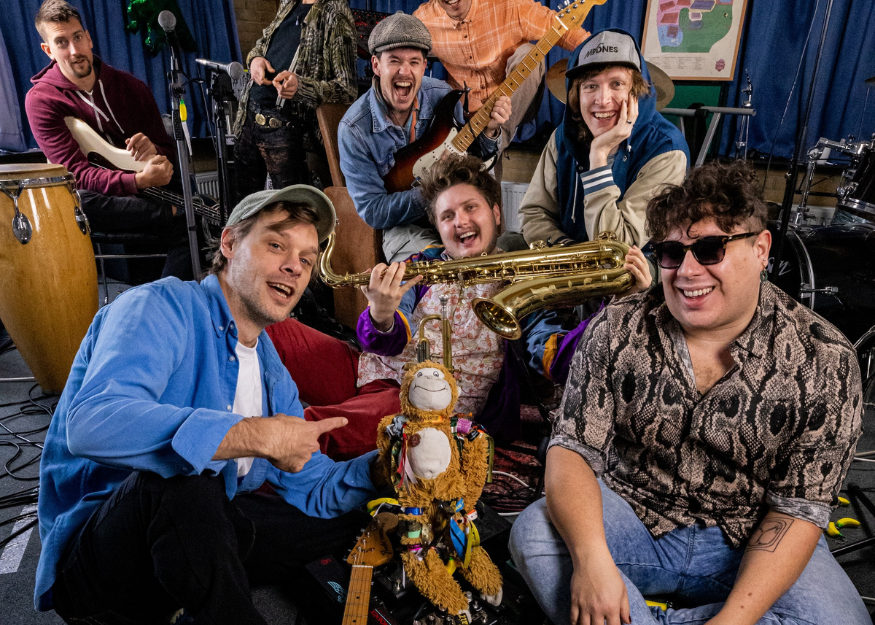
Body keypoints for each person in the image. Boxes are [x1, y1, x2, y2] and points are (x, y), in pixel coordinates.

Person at [509, 161, 869, 625]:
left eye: (710, 249)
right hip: (632, 514)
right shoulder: (618, 326)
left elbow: (798, 509)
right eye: (671, 253)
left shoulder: (825, 358)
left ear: (761, 249)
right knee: (535, 534)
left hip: (753, 537)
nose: (687, 271)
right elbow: (572, 449)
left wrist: (733, 620)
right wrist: (592, 563)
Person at [35, 184, 383, 623]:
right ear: (230, 243)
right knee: (186, 478)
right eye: (277, 245)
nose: (294, 267)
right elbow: (91, 423)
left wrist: (385, 466)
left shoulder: (272, 371)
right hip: (100, 569)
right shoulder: (158, 306)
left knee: (360, 516)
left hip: (193, 539)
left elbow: (314, 486)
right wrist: (252, 434)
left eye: (307, 259)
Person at [266, 154, 651, 459]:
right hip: (371, 373)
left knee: (320, 428)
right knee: (273, 330)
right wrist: (381, 313)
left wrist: (619, 308)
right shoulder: (424, 264)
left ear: (496, 214)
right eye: (447, 215)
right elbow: (381, 343)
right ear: (438, 227)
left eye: (470, 208)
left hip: (424, 408)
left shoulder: (522, 284)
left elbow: (559, 361)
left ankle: (257, 451)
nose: (460, 221)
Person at [25, 0, 191, 280]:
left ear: (89, 38)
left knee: (191, 199)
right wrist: (137, 182)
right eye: (62, 43)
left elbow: (168, 150)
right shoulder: (42, 100)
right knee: (76, 201)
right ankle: (175, 214)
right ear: (48, 50)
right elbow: (76, 175)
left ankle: (167, 290)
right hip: (102, 198)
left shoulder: (132, 87)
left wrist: (155, 151)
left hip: (147, 190)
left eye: (78, 37)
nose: (75, 50)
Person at [338, 12, 512, 263]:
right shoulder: (353, 129)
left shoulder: (442, 95)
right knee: (434, 269)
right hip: (405, 227)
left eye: (414, 62)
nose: (404, 71)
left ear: (424, 67)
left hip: (454, 213)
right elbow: (374, 211)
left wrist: (490, 131)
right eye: (394, 61)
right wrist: (433, 187)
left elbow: (474, 157)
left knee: (500, 256)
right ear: (376, 65)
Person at [519, 29, 688, 249]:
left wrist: (598, 155)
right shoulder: (562, 137)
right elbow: (534, 212)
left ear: (636, 92)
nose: (602, 100)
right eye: (591, 86)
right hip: (567, 255)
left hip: (635, 266)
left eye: (617, 84)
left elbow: (615, 248)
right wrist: (566, 250)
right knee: (508, 242)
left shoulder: (666, 149)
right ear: (576, 96)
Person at [413, 0, 589, 152]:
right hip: (466, 115)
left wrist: (599, 56)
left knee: (528, 53)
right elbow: (404, 55)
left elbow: (565, 30)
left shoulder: (509, 5)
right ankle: (486, 150)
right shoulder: (423, 21)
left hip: (515, 102)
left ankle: (492, 145)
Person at [232, 0, 357, 200]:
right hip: (248, 116)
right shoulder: (289, 3)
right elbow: (263, 43)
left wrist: (301, 87)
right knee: (244, 207)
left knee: (292, 208)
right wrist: (254, 59)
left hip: (285, 127)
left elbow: (347, 89)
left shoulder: (335, 12)